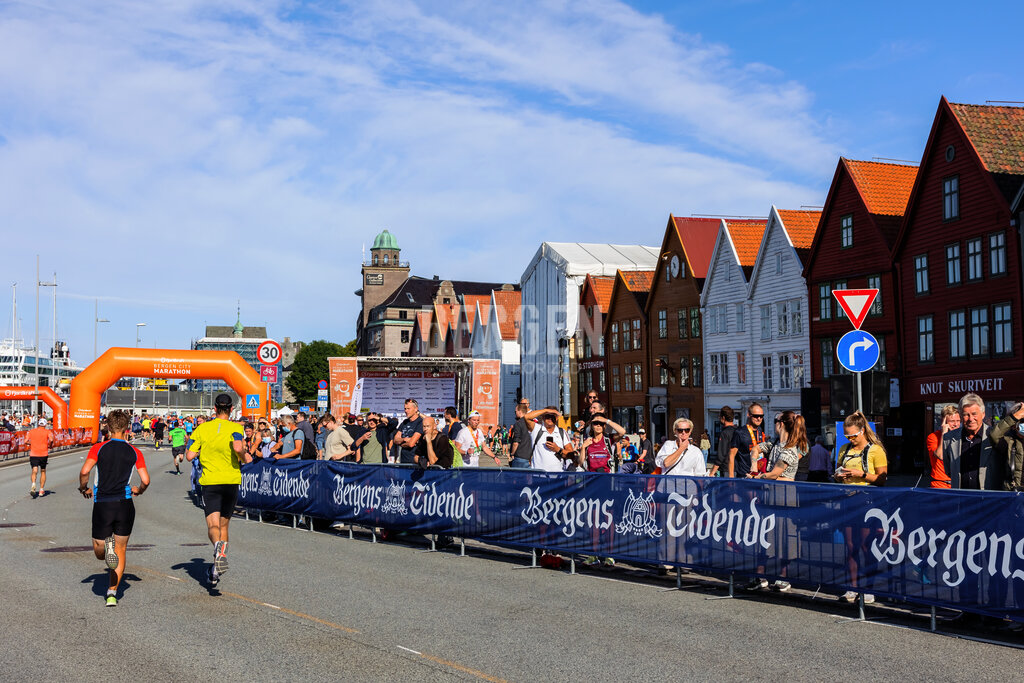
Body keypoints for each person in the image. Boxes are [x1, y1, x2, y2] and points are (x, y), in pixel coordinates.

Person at [78, 410, 149, 607]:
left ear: (108, 427)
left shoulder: (99, 448)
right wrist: (139, 490)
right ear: (127, 429)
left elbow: (85, 471)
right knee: (121, 549)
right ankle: (112, 592)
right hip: (125, 504)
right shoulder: (134, 451)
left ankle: (106, 549)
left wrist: (84, 488)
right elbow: (145, 480)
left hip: (103, 503)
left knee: (99, 551)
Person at [185, 393, 251, 586]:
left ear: (214, 409)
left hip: (210, 482)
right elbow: (238, 447)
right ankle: (214, 570)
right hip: (231, 481)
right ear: (231, 409)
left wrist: (198, 449)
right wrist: (245, 458)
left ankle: (217, 547)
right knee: (224, 526)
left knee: (213, 526)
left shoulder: (202, 428)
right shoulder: (235, 428)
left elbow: (189, 456)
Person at [834, 411, 887, 603]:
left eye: (853, 436)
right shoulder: (844, 449)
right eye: (847, 436)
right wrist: (838, 476)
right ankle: (852, 587)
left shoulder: (875, 450)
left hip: (867, 501)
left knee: (866, 546)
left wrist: (861, 474)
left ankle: (869, 588)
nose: (850, 439)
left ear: (863, 431)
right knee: (850, 546)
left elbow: (882, 479)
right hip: (848, 499)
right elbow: (836, 471)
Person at [941, 393, 1007, 490]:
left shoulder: (994, 436)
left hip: (989, 499)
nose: (971, 419)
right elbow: (950, 471)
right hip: (961, 499)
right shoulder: (948, 438)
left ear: (983, 414)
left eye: (974, 414)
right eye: (966, 415)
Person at [756, 411, 807, 482]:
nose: (775, 424)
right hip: (774, 489)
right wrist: (753, 466)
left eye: (776, 421)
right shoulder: (775, 442)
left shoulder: (789, 450)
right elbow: (755, 449)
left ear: (781, 424)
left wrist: (754, 477)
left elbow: (774, 475)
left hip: (783, 490)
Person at [524, 407, 574, 472]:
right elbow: (526, 417)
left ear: (556, 418)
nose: (550, 418)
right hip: (539, 475)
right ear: (543, 417)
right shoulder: (536, 429)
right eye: (547, 416)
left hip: (558, 475)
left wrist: (557, 449)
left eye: (553, 416)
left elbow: (571, 454)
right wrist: (546, 410)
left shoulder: (562, 432)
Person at [988, 401, 1024, 491]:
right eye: (1022, 421)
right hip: (1013, 494)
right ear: (1013, 425)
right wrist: (1017, 416)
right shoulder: (1009, 442)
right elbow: (994, 434)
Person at [728, 403, 767, 478]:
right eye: (756, 416)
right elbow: (731, 455)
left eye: (761, 416)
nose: (759, 418)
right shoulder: (739, 432)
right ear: (749, 415)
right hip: (744, 475)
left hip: (758, 475)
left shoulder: (760, 430)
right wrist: (731, 477)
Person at [926, 405, 959, 488]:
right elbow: (940, 455)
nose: (956, 424)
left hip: (957, 482)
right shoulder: (933, 437)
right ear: (944, 421)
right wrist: (944, 434)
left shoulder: (961, 436)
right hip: (940, 484)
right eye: (952, 421)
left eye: (958, 421)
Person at [393, 399, 424, 465]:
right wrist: (404, 439)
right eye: (405, 409)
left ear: (416, 409)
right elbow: (395, 440)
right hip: (403, 462)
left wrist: (401, 444)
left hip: (415, 463)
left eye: (408, 409)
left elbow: (411, 444)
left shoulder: (420, 422)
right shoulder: (404, 422)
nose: (406, 411)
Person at [708, 406, 736, 477]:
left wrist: (712, 473)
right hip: (737, 468)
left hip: (726, 469)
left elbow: (721, 455)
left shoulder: (725, 433)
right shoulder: (738, 431)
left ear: (723, 418)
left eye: (719, 417)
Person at [28, 418, 51, 498]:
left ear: (38, 424)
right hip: (43, 454)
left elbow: (25, 441)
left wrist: (32, 443)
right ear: (45, 425)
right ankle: (41, 490)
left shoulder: (31, 431)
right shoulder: (48, 432)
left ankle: (33, 483)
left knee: (34, 470)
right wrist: (50, 445)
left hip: (34, 453)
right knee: (43, 471)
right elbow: (51, 440)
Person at [507, 402, 533, 468]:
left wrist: (512, 453)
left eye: (515, 411)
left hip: (519, 457)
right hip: (529, 457)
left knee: (516, 477)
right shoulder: (531, 423)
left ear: (520, 412)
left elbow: (516, 442)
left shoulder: (518, 424)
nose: (515, 413)